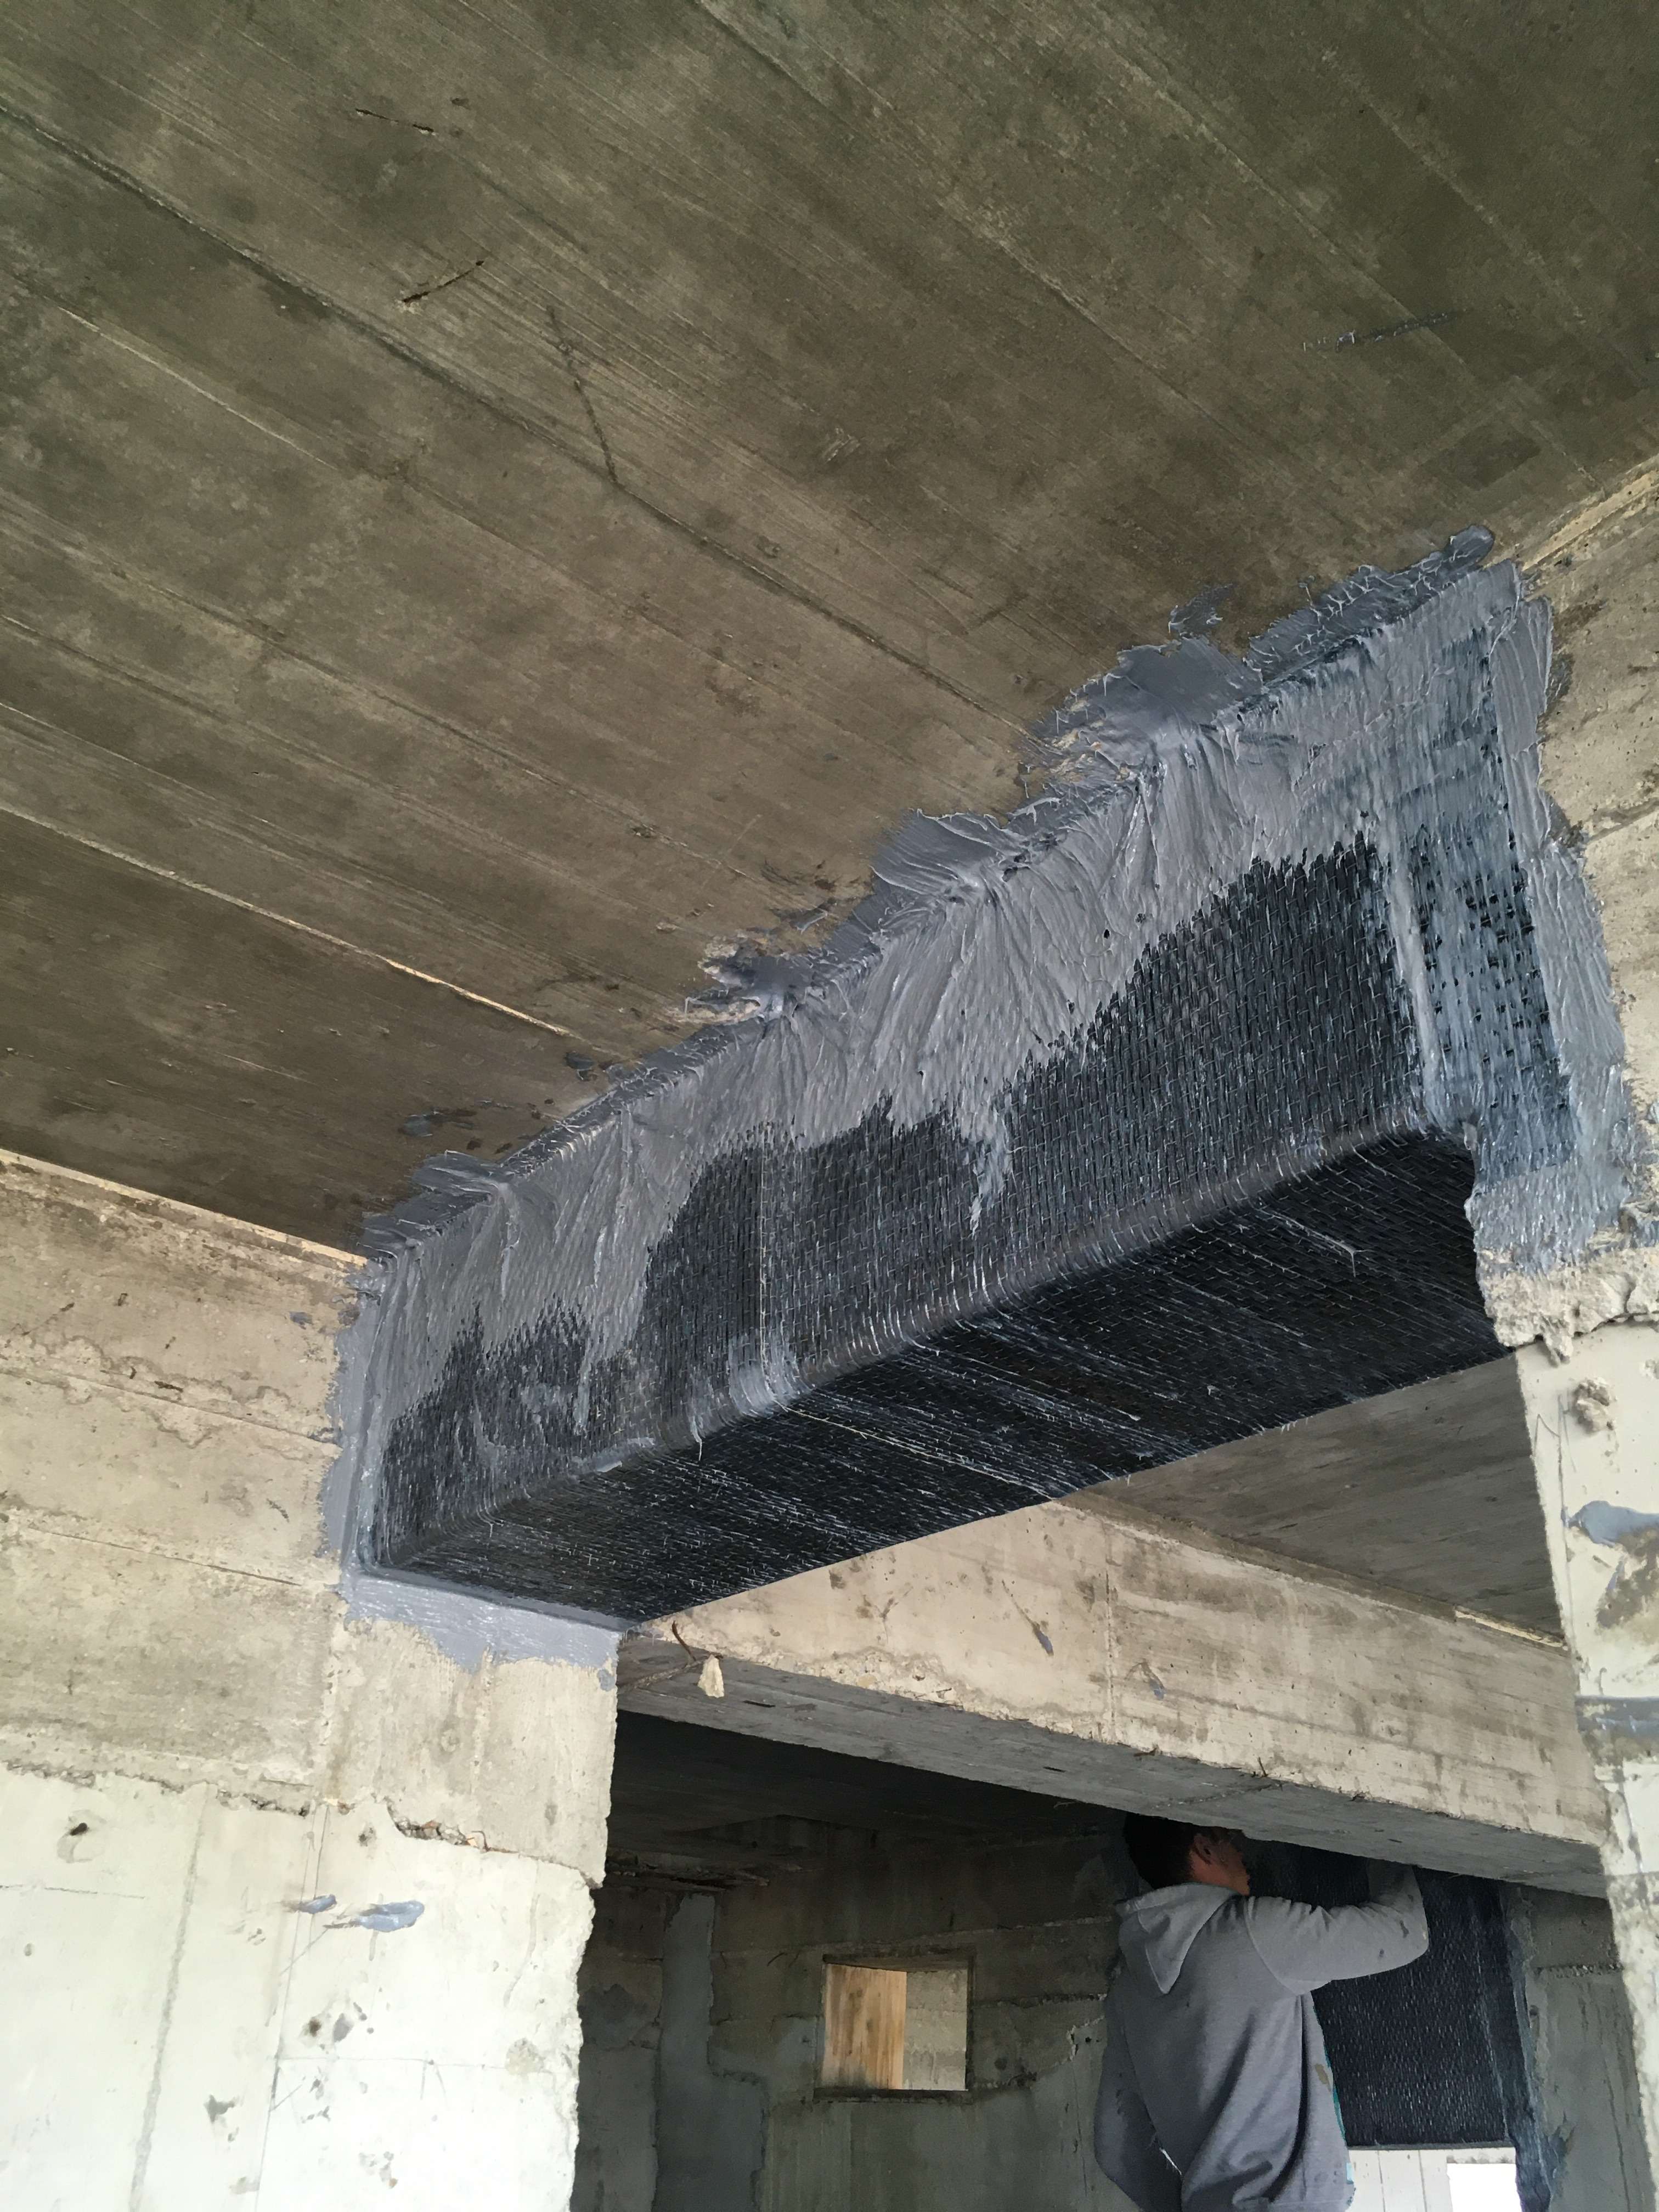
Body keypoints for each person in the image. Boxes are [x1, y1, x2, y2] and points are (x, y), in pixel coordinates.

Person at [1093, 1815, 1429, 2211]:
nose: (1242, 1852)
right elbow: (1404, 1932)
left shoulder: (1126, 1984)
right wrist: (1385, 1832)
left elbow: (1117, 2145)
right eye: (1230, 1839)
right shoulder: (1252, 1931)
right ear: (1204, 1848)